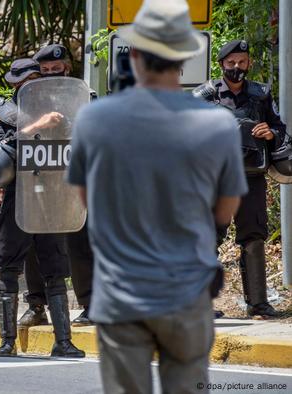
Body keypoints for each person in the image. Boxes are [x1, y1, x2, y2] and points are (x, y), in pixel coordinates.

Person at [67, 1, 247, 392]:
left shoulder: (94, 119)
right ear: (184, 57)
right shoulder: (217, 124)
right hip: (187, 292)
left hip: (121, 294)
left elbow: (86, 200)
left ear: (132, 53)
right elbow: (226, 209)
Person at [0, 58, 84, 359]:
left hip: (52, 196)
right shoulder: (1, 112)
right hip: (17, 197)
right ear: (17, 84)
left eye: (37, 78)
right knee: (9, 266)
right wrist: (36, 127)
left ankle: (63, 341)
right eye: (27, 81)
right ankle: (7, 341)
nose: (34, 85)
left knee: (55, 267)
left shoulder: (62, 110)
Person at [193, 39, 287, 318]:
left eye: (242, 62)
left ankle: (258, 303)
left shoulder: (261, 95)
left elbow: (280, 128)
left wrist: (270, 132)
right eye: (231, 63)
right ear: (222, 64)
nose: (237, 68)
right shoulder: (204, 96)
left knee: (254, 237)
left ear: (249, 64)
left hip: (251, 176)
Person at [17, 44, 94, 329]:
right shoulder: (29, 101)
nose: (51, 74)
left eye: (56, 69)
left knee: (80, 244)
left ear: (67, 69)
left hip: (75, 182)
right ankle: (36, 305)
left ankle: (90, 304)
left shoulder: (86, 97)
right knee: (34, 244)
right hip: (38, 181)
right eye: (45, 71)